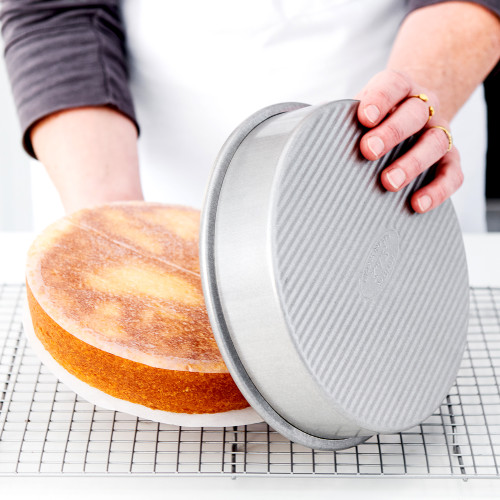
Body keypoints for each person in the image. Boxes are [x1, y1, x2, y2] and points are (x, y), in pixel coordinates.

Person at [1, 1, 499, 232]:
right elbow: (54, 11)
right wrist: (119, 228)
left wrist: (423, 86)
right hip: (125, 164)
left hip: (384, 172)